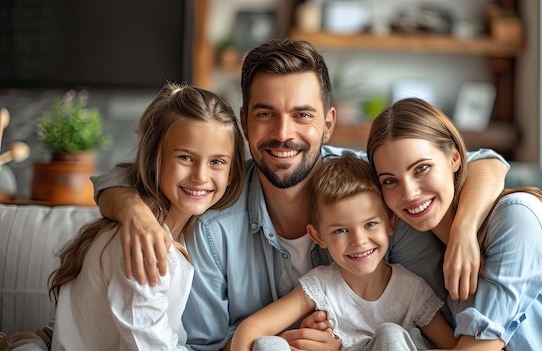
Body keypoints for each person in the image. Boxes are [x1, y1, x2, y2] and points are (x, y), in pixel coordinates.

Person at [92, 38, 510, 350]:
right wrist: (134, 210)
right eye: (265, 115)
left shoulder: (371, 184)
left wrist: (465, 231)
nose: (283, 134)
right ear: (243, 122)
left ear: (328, 123)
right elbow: (124, 176)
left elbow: (488, 161)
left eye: (302, 115)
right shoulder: (214, 217)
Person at [366, 97, 542, 351]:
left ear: (454, 158)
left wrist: (463, 230)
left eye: (421, 168)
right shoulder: (427, 252)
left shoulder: (519, 216)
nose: (408, 193)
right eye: (390, 181)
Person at [48, 83, 246, 350]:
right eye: (186, 158)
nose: (201, 176)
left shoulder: (181, 234)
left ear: (231, 173)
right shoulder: (145, 244)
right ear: (156, 160)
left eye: (217, 162)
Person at [231, 155, 457, 351]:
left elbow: (456, 348)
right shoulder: (320, 286)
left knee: (390, 334)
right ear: (318, 237)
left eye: (370, 224)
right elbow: (253, 327)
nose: (359, 240)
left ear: (390, 224)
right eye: (341, 230)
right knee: (268, 345)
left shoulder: (412, 290)